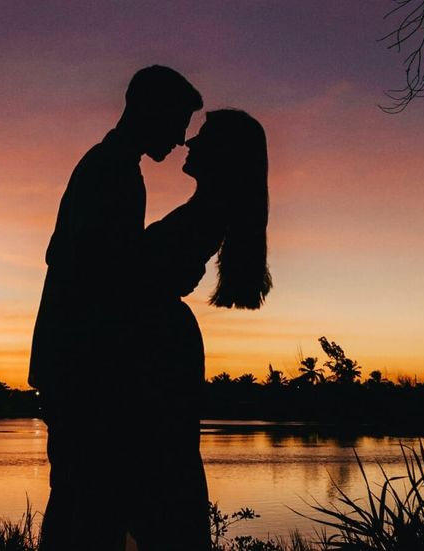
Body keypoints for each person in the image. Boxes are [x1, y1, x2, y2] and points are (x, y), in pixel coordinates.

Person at [29, 65, 203, 551]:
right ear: (150, 110)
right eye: (178, 122)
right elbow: (92, 269)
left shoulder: (113, 167)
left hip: (78, 366)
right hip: (83, 368)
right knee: (85, 505)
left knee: (84, 502)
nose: (182, 138)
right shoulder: (111, 171)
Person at [129, 108, 272, 551]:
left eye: (204, 137)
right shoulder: (207, 210)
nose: (189, 143)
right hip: (162, 339)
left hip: (160, 346)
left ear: (226, 154)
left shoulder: (210, 211)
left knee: (159, 471)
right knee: (161, 469)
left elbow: (143, 274)